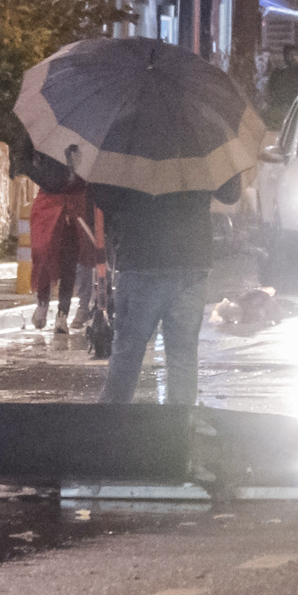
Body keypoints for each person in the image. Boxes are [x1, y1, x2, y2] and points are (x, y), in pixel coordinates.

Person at [92, 164, 245, 406]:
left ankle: (110, 423)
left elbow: (104, 197)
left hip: (140, 257)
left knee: (127, 353)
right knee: (182, 355)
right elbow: (230, 193)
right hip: (190, 260)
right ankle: (179, 426)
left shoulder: (130, 145)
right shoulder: (201, 144)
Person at [21, 148, 86, 332]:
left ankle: (62, 315)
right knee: (43, 255)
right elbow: (33, 167)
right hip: (48, 206)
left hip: (74, 208)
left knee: (69, 262)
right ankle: (42, 303)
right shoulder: (47, 146)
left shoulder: (83, 149)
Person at [263, 46, 298, 128]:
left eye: (296, 54)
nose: (293, 58)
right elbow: (271, 89)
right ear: (285, 57)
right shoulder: (278, 72)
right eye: (290, 55)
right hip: (281, 108)